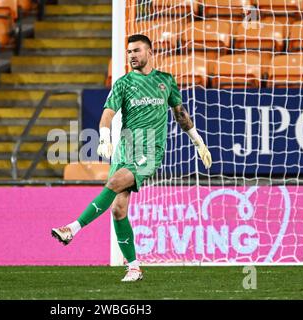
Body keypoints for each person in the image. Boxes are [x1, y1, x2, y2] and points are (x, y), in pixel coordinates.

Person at [51, 34, 212, 282]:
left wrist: (198, 141)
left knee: (114, 183)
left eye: (136, 51)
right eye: (129, 52)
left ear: (150, 52)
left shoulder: (165, 81)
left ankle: (72, 228)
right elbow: (107, 114)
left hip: (149, 150)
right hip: (124, 149)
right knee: (118, 209)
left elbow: (180, 115)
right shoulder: (124, 83)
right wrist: (104, 136)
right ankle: (134, 267)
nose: (132, 56)